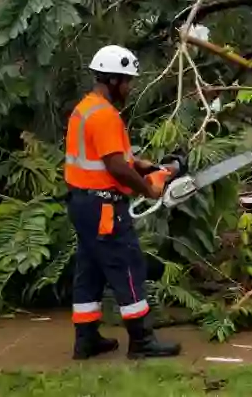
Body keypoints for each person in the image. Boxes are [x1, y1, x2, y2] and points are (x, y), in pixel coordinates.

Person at [66, 45, 181, 360]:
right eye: (127, 81)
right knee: (127, 265)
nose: (130, 87)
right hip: (103, 206)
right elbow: (115, 167)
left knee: (89, 269)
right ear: (113, 80)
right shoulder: (105, 115)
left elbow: (109, 157)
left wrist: (144, 166)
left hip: (82, 202)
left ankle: (86, 339)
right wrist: (148, 189)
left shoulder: (85, 109)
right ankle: (141, 340)